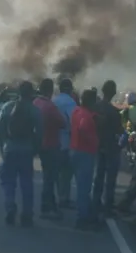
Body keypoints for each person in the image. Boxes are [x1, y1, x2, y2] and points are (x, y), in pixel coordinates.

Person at [0, 80, 42, 227]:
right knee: (27, 183)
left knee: (8, 182)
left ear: (18, 93)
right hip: (26, 151)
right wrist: (35, 148)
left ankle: (10, 207)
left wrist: (3, 146)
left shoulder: (8, 107)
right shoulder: (35, 110)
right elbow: (40, 133)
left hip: (10, 149)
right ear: (31, 94)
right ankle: (27, 215)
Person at [34, 78, 66, 219]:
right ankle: (45, 208)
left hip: (41, 145)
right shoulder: (50, 106)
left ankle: (51, 206)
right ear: (50, 90)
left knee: (49, 176)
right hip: (51, 145)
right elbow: (63, 123)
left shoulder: (36, 103)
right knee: (50, 178)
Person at [92, 80, 124, 219]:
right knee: (110, 179)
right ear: (113, 93)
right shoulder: (113, 111)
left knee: (98, 177)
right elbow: (119, 130)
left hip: (97, 146)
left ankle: (95, 203)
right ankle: (107, 207)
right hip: (111, 147)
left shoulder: (94, 107)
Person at [70, 88, 101, 230]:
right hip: (85, 152)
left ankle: (86, 214)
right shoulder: (86, 116)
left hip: (75, 150)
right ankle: (82, 218)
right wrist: (94, 141)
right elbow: (83, 128)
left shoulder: (77, 111)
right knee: (84, 187)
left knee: (82, 185)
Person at [53, 77, 78, 209]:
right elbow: (74, 123)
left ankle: (59, 196)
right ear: (69, 89)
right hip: (66, 142)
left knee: (57, 172)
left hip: (54, 140)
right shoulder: (70, 103)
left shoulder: (54, 101)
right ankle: (64, 198)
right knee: (67, 172)